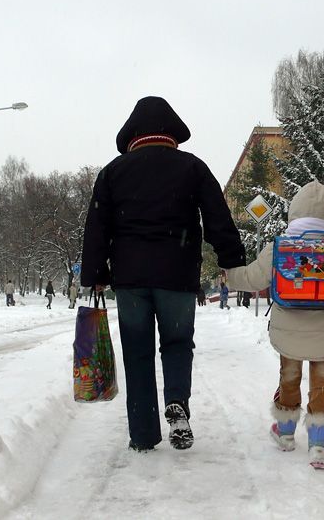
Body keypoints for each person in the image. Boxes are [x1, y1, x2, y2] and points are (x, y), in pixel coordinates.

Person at [81, 96, 246, 452]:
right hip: (178, 275)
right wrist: (231, 259)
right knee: (176, 343)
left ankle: (142, 433)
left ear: (132, 134)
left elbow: (97, 225)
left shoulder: (113, 171)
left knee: (137, 352)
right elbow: (217, 216)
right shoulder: (192, 167)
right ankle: (178, 405)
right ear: (171, 131)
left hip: (130, 280)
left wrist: (95, 271)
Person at [224, 181, 324, 470]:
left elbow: (254, 278)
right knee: (322, 384)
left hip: (289, 329)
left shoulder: (280, 248)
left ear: (295, 214)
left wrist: (228, 277)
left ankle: (286, 432)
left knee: (289, 378)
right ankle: (318, 444)